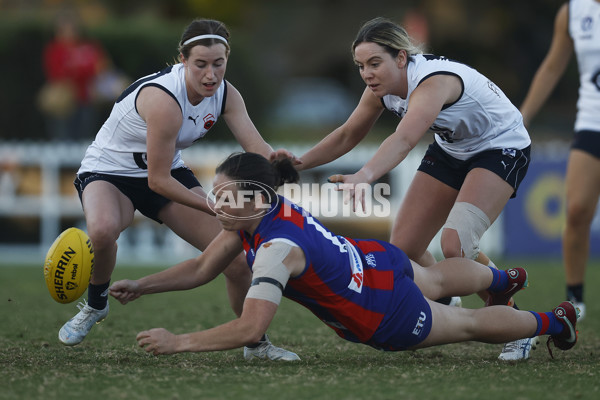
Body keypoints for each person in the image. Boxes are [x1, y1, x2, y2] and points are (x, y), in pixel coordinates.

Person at [109, 152, 578, 359]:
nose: (216, 206)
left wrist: (179, 342)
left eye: (224, 197)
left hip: (383, 313)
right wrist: (141, 286)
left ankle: (557, 323)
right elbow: (199, 268)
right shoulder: (266, 211)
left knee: (472, 326)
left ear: (254, 198)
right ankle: (501, 280)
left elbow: (251, 328)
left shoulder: (274, 251)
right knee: (435, 281)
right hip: (375, 261)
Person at [292, 17, 534, 360]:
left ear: (401, 58)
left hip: (501, 148)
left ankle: (518, 322)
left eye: (375, 63)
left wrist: (364, 175)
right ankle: (450, 299)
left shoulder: (433, 82)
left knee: (456, 245)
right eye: (361, 66)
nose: (367, 73)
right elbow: (348, 134)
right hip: (452, 150)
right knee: (404, 249)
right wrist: (295, 165)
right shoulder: (381, 88)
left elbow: (405, 138)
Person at [57, 18, 299, 361]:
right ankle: (96, 304)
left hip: (166, 170)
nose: (210, 75)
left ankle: (255, 344)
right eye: (200, 64)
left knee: (237, 263)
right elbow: (157, 182)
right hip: (110, 172)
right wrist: (214, 206)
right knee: (103, 229)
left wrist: (276, 158)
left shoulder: (227, 94)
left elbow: (255, 145)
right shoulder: (164, 101)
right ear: (182, 60)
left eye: (218, 64)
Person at [520, 0, 600, 321]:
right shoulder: (572, 12)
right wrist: (522, 117)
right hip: (591, 122)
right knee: (578, 209)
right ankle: (575, 298)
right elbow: (553, 67)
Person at [39, 13, 107, 140]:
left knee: (85, 135)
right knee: (62, 137)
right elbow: (56, 73)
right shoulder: (54, 49)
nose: (68, 33)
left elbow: (99, 67)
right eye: (64, 29)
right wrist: (81, 71)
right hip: (63, 101)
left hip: (86, 98)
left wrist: (76, 71)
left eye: (71, 29)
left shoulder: (88, 47)